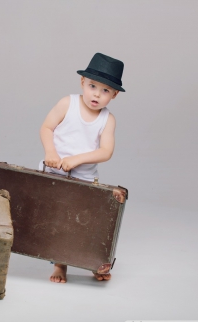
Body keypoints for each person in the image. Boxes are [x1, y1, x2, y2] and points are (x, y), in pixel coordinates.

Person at [39, 52, 125, 283]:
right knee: (58, 221)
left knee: (84, 222)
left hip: (84, 179)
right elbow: (47, 128)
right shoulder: (67, 103)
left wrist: (76, 160)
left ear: (114, 94)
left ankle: (92, 263)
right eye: (93, 86)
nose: (97, 94)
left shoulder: (108, 119)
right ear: (82, 83)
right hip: (55, 172)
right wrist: (51, 153)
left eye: (105, 90)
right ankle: (60, 264)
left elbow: (105, 151)